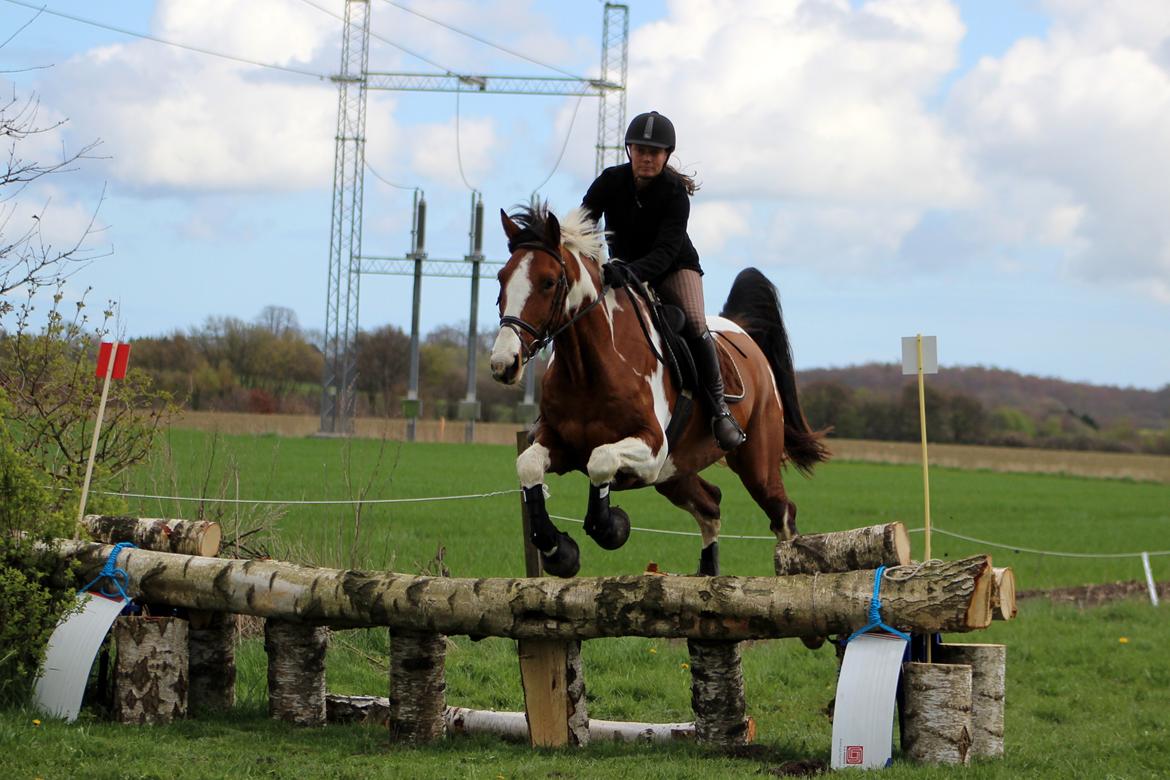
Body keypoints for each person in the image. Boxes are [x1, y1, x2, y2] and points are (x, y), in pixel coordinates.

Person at [582, 111, 746, 451]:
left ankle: (719, 409)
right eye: (641, 150)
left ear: (666, 155)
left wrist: (629, 272)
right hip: (621, 268)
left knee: (695, 322)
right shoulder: (610, 181)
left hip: (673, 268)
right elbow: (584, 222)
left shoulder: (674, 193)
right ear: (629, 151)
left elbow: (666, 252)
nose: (647, 158)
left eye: (654, 152)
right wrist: (589, 260)